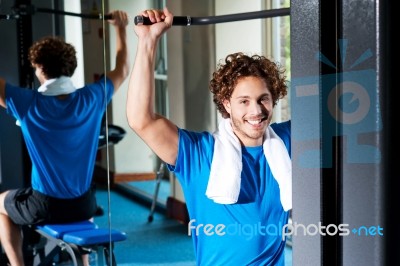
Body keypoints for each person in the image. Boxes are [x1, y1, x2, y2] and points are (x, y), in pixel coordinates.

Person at [127, 7, 291, 266]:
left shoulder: (286, 141)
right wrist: (148, 42)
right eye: (244, 101)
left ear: (274, 99)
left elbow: (337, 105)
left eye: (263, 99)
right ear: (226, 103)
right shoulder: (199, 153)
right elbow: (141, 120)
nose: (256, 111)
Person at [0, 9, 129, 266]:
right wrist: (120, 28)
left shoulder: (27, 103)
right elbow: (122, 69)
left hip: (45, 207)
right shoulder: (92, 98)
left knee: (0, 206)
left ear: (39, 68)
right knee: (81, 197)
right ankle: (85, 263)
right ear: (70, 68)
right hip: (84, 205)